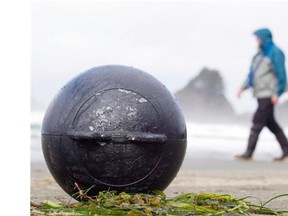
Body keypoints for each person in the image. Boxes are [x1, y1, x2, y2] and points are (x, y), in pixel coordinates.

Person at [236, 28, 288, 161]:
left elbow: (281, 75)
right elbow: (252, 75)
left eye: (258, 38)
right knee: (271, 124)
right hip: (259, 94)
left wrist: (277, 93)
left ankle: (248, 153)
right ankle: (286, 150)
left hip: (268, 94)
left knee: (257, 122)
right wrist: (242, 88)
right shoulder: (259, 55)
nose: (256, 41)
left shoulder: (275, 53)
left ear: (264, 38)